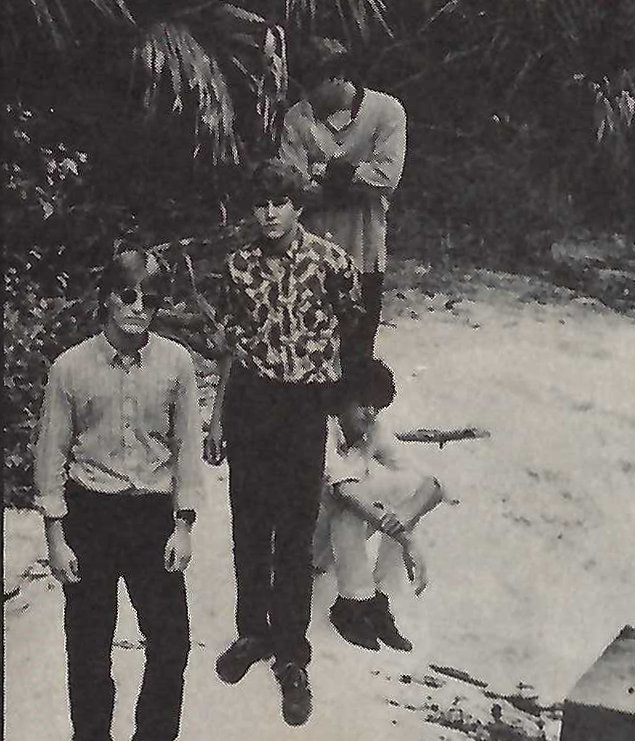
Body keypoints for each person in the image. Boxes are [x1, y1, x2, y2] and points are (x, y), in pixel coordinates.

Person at [204, 160, 363, 726]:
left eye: (281, 203)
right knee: (249, 524)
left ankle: (292, 653)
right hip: (252, 404)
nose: (270, 214)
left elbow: (353, 329)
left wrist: (341, 403)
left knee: (294, 533)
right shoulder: (237, 266)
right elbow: (229, 346)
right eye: (261, 203)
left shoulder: (332, 262)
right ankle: (253, 633)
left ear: (298, 206)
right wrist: (217, 419)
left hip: (303, 407)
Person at [34, 248, 202, 741]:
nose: (138, 308)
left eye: (150, 299)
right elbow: (51, 453)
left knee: (171, 642)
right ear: (107, 298)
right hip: (91, 513)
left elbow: (187, 448)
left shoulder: (176, 363)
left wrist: (183, 526)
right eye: (128, 296)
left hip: (151, 514)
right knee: (88, 645)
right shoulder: (69, 367)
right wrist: (56, 536)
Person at [316, 357, 458, 652]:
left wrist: (403, 519)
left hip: (338, 536)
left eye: (377, 406)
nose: (370, 413)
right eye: (362, 403)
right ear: (343, 401)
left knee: (407, 489)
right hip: (306, 543)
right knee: (352, 497)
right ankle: (351, 603)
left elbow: (431, 483)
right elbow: (344, 490)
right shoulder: (322, 429)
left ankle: (379, 600)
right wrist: (405, 538)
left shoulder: (373, 431)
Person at [279, 36, 406, 364]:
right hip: (309, 257)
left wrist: (329, 173)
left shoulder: (386, 111)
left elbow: (386, 178)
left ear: (338, 77)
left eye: (314, 86)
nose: (308, 96)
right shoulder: (297, 118)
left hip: (363, 252)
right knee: (307, 354)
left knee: (356, 356)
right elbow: (292, 187)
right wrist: (351, 179)